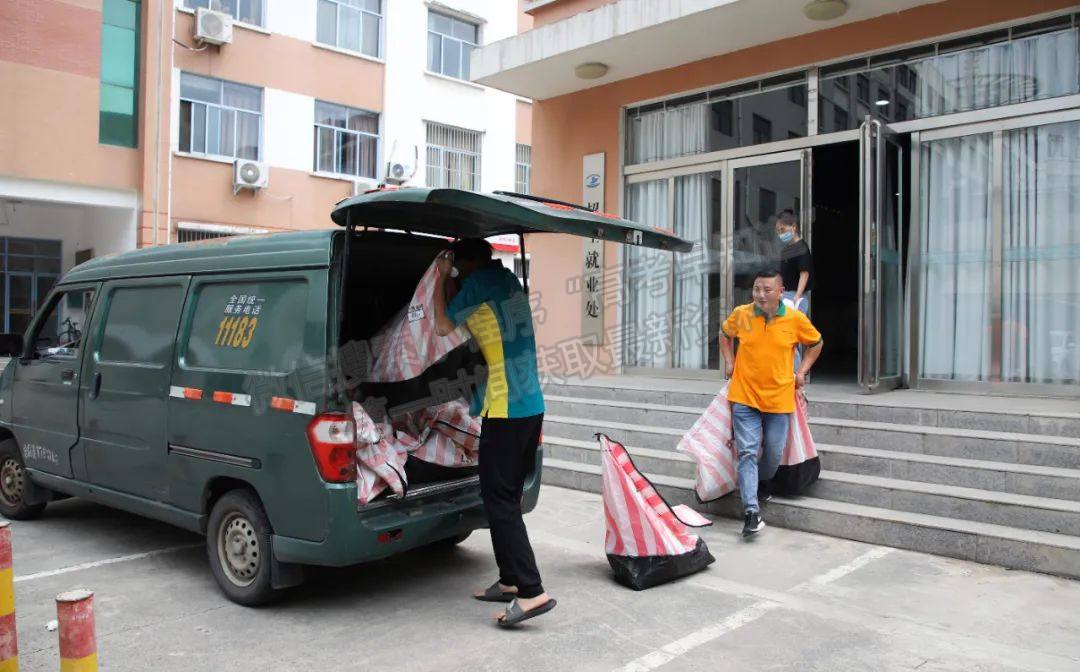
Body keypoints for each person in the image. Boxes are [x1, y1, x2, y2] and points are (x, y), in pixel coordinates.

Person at [432, 238, 556, 628]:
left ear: (464, 264)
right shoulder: (507, 283)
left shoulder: (477, 285)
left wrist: (439, 279)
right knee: (503, 496)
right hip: (530, 406)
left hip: (505, 410)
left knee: (499, 499)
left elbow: (440, 325)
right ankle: (509, 581)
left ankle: (532, 591)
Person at [720, 269, 823, 537]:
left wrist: (801, 372)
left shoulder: (794, 319)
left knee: (774, 453)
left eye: (767, 290)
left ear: (781, 291)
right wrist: (730, 361)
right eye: (757, 289)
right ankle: (751, 512)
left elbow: (816, 342)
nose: (761, 295)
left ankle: (762, 483)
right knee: (747, 452)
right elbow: (724, 333)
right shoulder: (742, 314)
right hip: (744, 396)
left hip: (779, 399)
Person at [776, 209, 812, 315]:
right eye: (778, 231)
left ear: (793, 227)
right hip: (784, 294)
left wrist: (797, 296)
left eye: (782, 230)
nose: (780, 234)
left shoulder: (801, 248)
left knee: (793, 326)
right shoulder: (786, 249)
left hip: (795, 295)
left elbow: (804, 273)